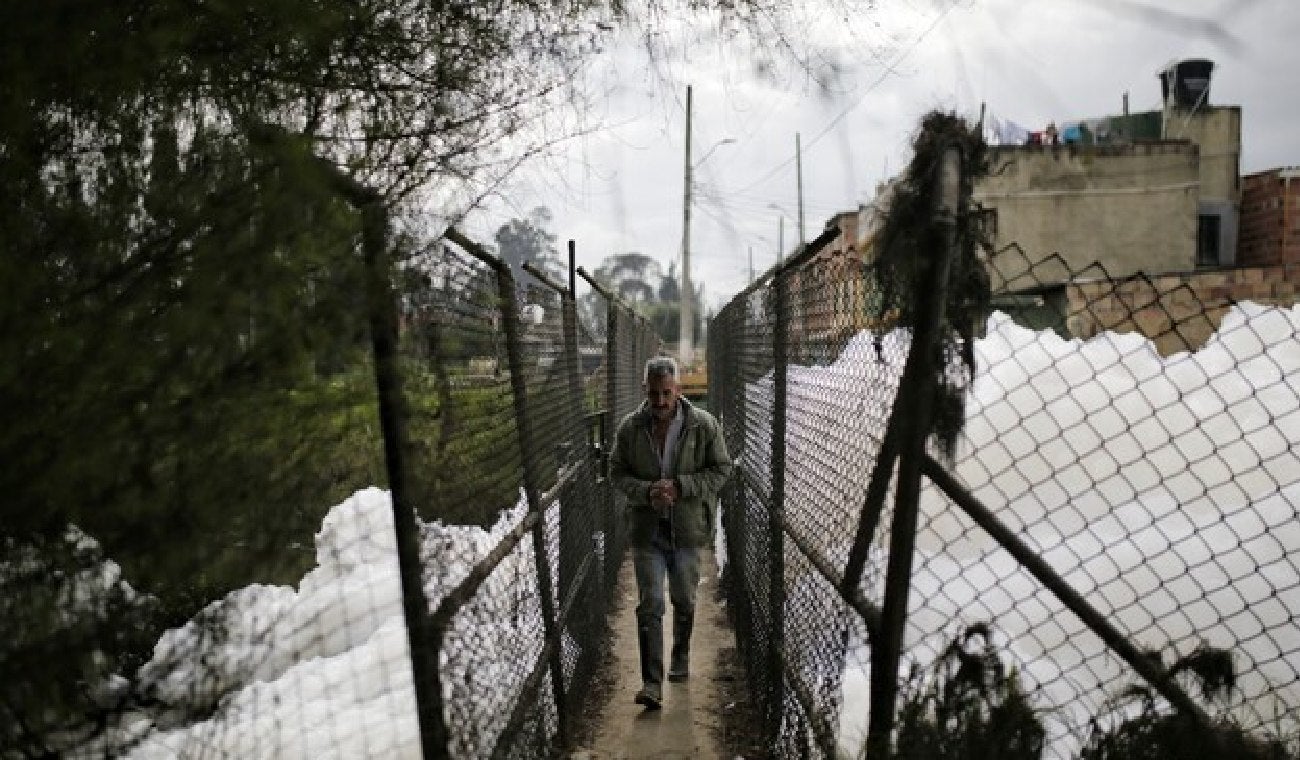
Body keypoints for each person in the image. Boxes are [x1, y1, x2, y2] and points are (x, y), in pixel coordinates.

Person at [610, 356, 732, 709]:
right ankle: (652, 684)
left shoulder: (704, 426)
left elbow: (722, 469)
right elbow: (616, 472)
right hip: (647, 532)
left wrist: (682, 487)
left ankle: (680, 655)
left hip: (688, 530)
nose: (660, 403)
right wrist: (647, 491)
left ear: (678, 390)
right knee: (650, 604)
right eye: (653, 395)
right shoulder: (630, 429)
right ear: (645, 391)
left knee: (684, 599)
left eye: (667, 394)